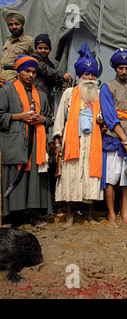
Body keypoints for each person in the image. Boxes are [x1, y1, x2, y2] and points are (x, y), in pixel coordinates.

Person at [52, 43, 103, 228]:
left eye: (92, 75)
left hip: (93, 141)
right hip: (73, 140)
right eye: (86, 75)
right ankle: (69, 217)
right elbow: (60, 119)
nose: (89, 78)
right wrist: (57, 141)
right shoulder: (69, 93)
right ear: (80, 76)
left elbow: (105, 119)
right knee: (69, 176)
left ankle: (89, 215)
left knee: (92, 177)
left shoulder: (98, 95)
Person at [0, 55, 53, 227]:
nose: (31, 75)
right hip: (15, 142)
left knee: (35, 180)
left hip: (36, 143)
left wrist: (41, 119)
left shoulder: (42, 96)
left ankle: (34, 214)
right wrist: (18, 116)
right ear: (18, 72)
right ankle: (11, 217)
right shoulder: (6, 92)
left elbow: (49, 118)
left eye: (33, 72)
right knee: (15, 176)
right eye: (27, 71)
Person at [99, 48, 127, 228]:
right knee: (111, 177)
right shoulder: (107, 87)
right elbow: (110, 116)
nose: (124, 71)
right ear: (115, 69)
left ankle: (125, 215)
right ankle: (111, 216)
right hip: (114, 137)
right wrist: (124, 140)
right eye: (121, 68)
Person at [31, 34, 73, 110]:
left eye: (46, 48)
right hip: (35, 92)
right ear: (36, 48)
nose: (43, 50)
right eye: (40, 48)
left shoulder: (50, 64)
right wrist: (61, 74)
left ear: (50, 49)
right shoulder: (34, 60)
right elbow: (45, 69)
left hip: (46, 94)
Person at [1, 10, 35, 82]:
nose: (14, 27)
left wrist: (19, 77)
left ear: (22, 25)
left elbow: (36, 62)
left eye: (17, 24)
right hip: (2, 74)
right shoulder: (8, 41)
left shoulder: (29, 41)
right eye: (11, 24)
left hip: (15, 77)